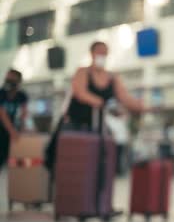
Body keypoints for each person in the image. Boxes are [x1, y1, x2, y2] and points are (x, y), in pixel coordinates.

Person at [45, 41, 147, 173]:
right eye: (99, 51)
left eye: (105, 52)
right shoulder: (82, 72)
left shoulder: (112, 77)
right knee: (67, 160)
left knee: (97, 162)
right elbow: (80, 92)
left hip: (97, 126)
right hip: (75, 124)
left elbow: (124, 97)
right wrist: (97, 100)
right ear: (92, 53)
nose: (102, 55)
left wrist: (139, 105)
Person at [0, 69, 28, 173]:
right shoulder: (1, 93)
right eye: (7, 78)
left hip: (11, 130)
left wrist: (22, 127)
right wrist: (12, 131)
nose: (8, 81)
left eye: (12, 78)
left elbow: (24, 113)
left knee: (13, 163)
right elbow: (2, 114)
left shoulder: (22, 96)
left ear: (18, 81)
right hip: (3, 130)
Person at [105, 104, 130, 176]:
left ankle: (118, 171)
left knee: (119, 157)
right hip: (115, 141)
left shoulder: (120, 119)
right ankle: (115, 171)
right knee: (115, 157)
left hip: (121, 141)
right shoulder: (110, 119)